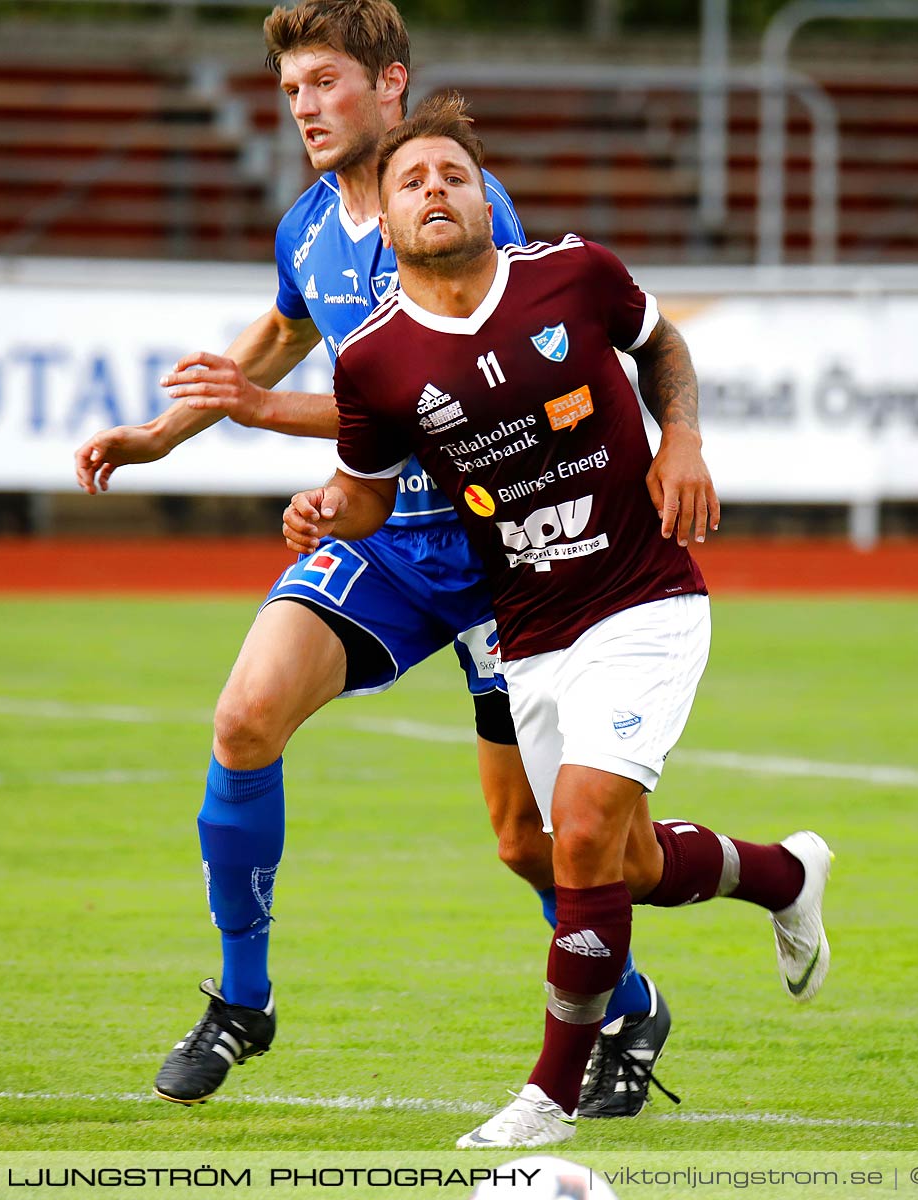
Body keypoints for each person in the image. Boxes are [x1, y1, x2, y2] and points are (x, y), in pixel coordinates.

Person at [70, 0, 680, 1117]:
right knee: (244, 717)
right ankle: (241, 1002)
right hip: (385, 545)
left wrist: (265, 418)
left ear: (390, 88)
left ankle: (628, 999)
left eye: (326, 86)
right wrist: (163, 433)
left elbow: (433, 386)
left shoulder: (452, 202)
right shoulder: (305, 225)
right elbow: (289, 331)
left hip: (504, 552)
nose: (304, 107)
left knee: (524, 843)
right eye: (292, 89)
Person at [249, 91, 834, 1149]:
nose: (435, 189)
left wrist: (683, 441)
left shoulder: (573, 273)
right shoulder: (376, 364)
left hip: (645, 599)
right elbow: (369, 494)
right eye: (414, 180)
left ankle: (549, 1098)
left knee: (576, 837)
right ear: (383, 225)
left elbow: (663, 350)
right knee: (619, 864)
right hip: (529, 629)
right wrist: (322, 508)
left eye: (455, 176)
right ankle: (785, 875)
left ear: (486, 198)